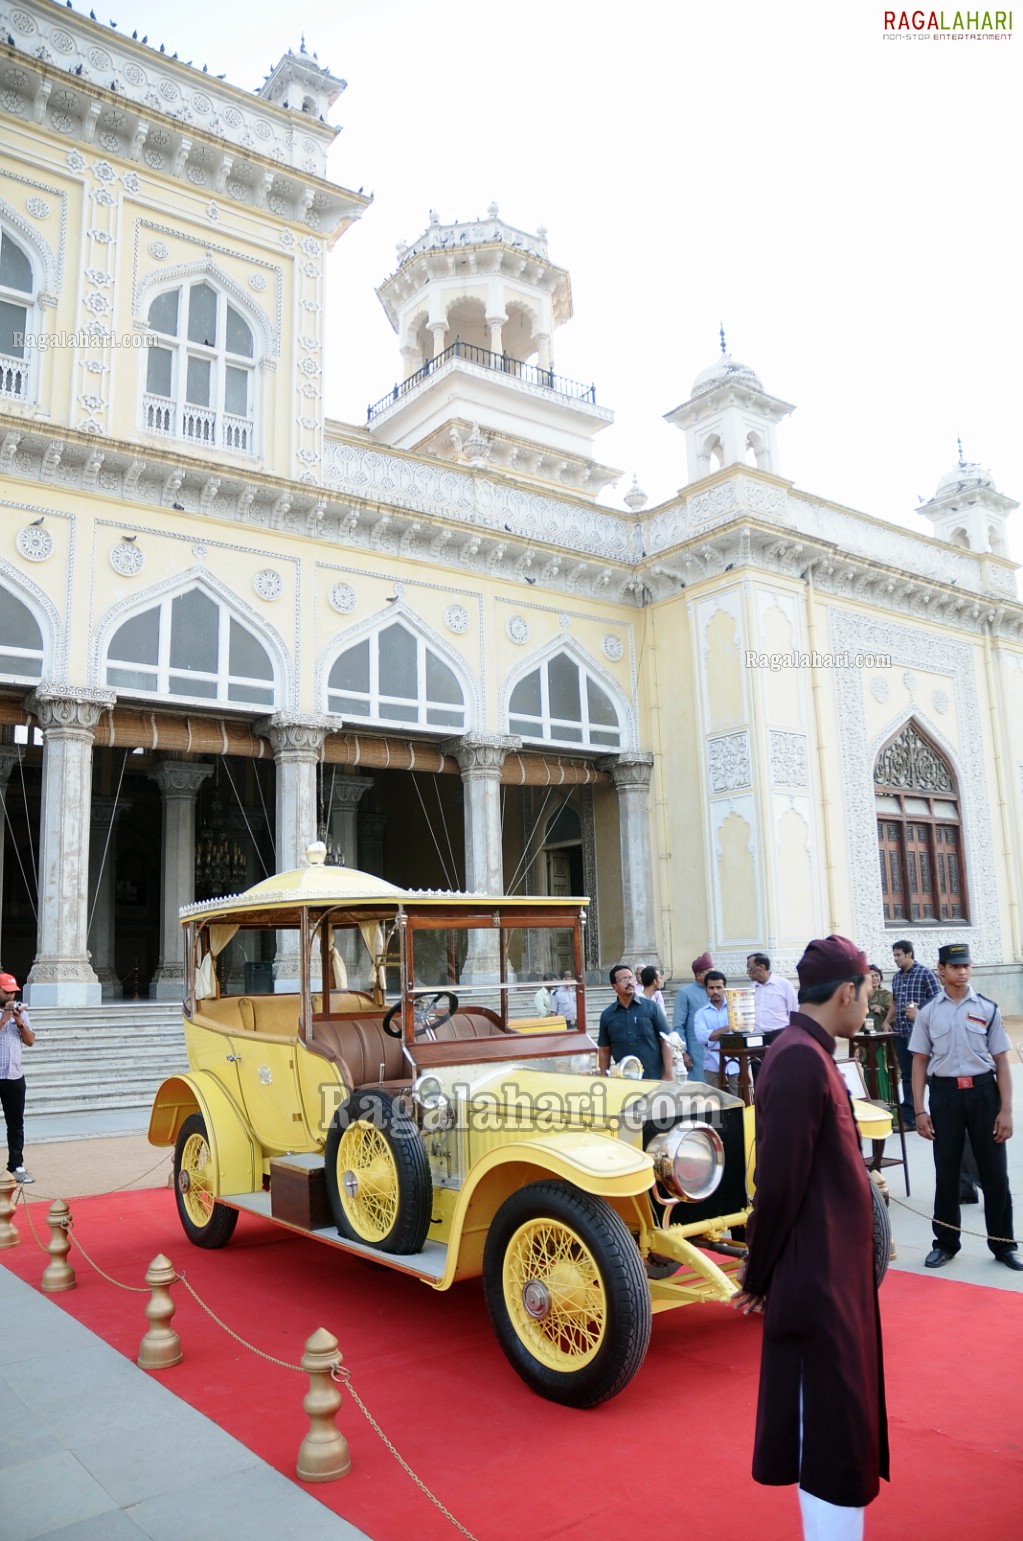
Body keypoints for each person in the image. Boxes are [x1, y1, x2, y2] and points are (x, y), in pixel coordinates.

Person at [733, 935, 889, 1541]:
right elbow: (776, 1185)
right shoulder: (800, 1057)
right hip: (816, 1278)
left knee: (840, 1421)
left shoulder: (811, 1051)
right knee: (828, 1431)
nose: (870, 1005)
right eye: (868, 992)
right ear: (846, 992)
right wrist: (759, 1272)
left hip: (833, 1275)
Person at [909, 942, 1021, 1272]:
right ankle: (945, 1243)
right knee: (947, 1173)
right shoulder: (929, 1012)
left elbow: (1001, 1061)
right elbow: (918, 1062)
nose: (961, 971)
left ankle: (1003, 1245)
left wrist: (1006, 1110)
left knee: (995, 1173)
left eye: (966, 966)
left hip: (984, 1094)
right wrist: (919, 1110)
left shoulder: (987, 1008)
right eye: (955, 966)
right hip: (945, 1097)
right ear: (941, 969)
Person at [884, 939, 939, 1128]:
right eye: (894, 955)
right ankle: (909, 1118)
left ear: (909, 954)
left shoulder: (926, 974)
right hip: (902, 1034)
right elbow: (894, 1002)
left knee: (930, 1075)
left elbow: (937, 1001)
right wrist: (886, 1021)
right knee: (907, 1076)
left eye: (898, 955)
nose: (896, 959)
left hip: (922, 1034)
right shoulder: (897, 977)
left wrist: (920, 1014)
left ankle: (939, 1113)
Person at [597, 964, 673, 1081]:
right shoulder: (607, 1015)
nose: (629, 982)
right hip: (623, 1080)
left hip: (653, 1078)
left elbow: (665, 1041)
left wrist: (668, 1073)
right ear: (614, 986)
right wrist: (603, 1077)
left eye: (631, 978)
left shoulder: (651, 1008)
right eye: (624, 979)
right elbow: (604, 1050)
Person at [0, 972, 35, 1184]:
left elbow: (30, 1041)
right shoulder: (5, 1014)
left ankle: (16, 1165)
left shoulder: (19, 1013)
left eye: (13, 991)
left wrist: (20, 1022)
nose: (11, 995)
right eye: (6, 991)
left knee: (16, 1124)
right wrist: (4, 1018)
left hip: (14, 1076)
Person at [693, 970, 739, 1096]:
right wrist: (729, 1027)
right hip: (712, 1067)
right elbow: (702, 1037)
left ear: (725, 988)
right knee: (715, 1106)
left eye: (719, 987)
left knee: (740, 1105)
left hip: (736, 1066)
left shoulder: (735, 1009)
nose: (715, 991)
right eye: (711, 988)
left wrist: (713, 1035)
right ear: (706, 990)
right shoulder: (701, 1014)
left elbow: (740, 1032)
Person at [672, 951, 712, 1080]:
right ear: (699, 974)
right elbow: (678, 1026)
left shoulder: (717, 991)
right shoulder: (685, 993)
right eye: (709, 972)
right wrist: (683, 1052)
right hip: (695, 1052)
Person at [859, 964, 894, 1106]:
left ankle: (888, 1108)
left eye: (876, 975)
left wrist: (883, 1011)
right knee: (869, 1072)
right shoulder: (862, 996)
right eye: (871, 976)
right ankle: (872, 1107)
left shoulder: (887, 995)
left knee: (883, 1072)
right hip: (866, 1043)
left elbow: (894, 1015)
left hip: (882, 1042)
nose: (874, 978)